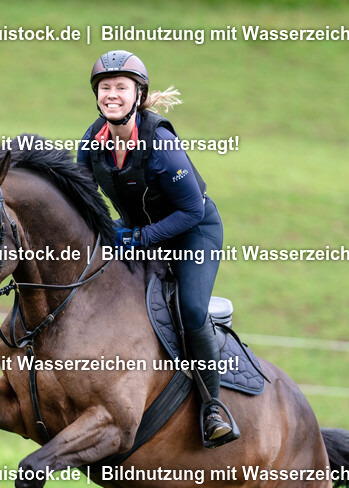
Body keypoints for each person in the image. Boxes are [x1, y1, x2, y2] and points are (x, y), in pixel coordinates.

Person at [77, 50, 239, 447]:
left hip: (192, 232)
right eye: (105, 88)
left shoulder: (161, 143)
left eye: (120, 87)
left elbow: (191, 209)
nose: (111, 94)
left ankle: (213, 407)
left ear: (138, 94)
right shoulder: (92, 141)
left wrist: (141, 237)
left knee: (191, 308)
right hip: (137, 233)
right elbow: (79, 197)